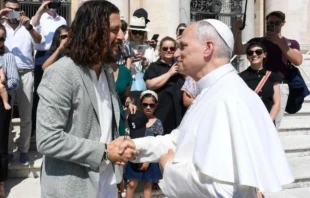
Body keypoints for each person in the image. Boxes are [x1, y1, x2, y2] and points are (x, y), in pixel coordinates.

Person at [119, 19, 294, 198]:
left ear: (207, 48)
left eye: (183, 46)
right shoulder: (211, 90)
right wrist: (134, 146)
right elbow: (178, 140)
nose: (178, 53)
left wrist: (170, 169)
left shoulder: (228, 98)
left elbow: (225, 190)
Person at [36, 1, 135, 197]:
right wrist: (105, 152)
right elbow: (47, 139)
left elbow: (106, 127)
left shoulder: (107, 72)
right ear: (93, 32)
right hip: (72, 187)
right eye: (114, 30)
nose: (122, 36)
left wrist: (116, 172)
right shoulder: (62, 73)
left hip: (107, 182)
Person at [234, 11, 303, 129]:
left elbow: (298, 60)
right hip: (259, 83)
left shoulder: (290, 43)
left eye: (277, 23)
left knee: (273, 125)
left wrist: (279, 42)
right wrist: (239, 31)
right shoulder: (259, 41)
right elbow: (239, 50)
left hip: (279, 85)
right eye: (271, 22)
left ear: (283, 23)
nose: (274, 25)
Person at [2, 0, 42, 165]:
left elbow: (39, 41)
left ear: (21, 11)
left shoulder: (28, 26)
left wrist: (29, 27)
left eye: (16, 10)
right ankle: (9, 151)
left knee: (26, 116)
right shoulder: (1, 28)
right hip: (6, 74)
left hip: (26, 74)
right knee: (6, 117)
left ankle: (24, 151)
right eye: (9, 10)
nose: (13, 13)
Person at [31, 0, 67, 137]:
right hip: (43, 56)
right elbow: (33, 25)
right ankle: (35, 128)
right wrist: (42, 9)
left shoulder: (62, 19)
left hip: (60, 53)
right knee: (39, 93)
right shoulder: (39, 17)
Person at [125, 90, 163, 198]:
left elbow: (158, 143)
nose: (148, 107)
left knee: (147, 184)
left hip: (150, 158)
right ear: (140, 105)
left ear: (156, 106)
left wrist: (148, 160)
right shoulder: (135, 119)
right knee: (132, 184)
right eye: (145, 104)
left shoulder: (158, 123)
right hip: (135, 157)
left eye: (151, 105)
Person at [144, 36, 185, 134]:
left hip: (179, 112)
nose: (169, 51)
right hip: (162, 113)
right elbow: (150, 84)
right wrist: (169, 73)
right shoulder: (154, 67)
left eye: (172, 48)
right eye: (165, 48)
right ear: (160, 50)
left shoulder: (179, 65)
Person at [0, 23, 20, 198]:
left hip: (1, 102)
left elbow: (14, 81)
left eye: (1, 38)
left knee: (1, 144)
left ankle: (1, 181)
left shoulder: (8, 57)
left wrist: (3, 83)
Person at [240, 42, 281, 122]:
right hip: (247, 122)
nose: (254, 55)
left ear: (264, 54)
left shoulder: (272, 76)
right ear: (247, 56)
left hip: (266, 121)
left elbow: (277, 103)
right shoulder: (240, 77)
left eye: (258, 52)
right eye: (250, 52)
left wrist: (268, 123)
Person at [123, 16, 156, 106]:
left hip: (143, 85)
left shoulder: (149, 49)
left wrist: (146, 62)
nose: (137, 35)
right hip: (128, 84)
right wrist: (130, 61)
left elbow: (153, 67)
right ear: (130, 32)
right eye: (134, 32)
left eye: (140, 32)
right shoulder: (124, 46)